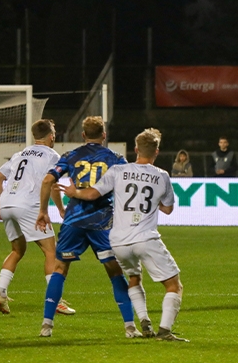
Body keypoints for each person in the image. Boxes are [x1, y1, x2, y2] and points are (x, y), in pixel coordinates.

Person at [60, 128, 188, 341]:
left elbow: (92, 194)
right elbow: (167, 209)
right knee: (174, 285)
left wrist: (75, 193)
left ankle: (144, 321)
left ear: (136, 149)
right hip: (145, 237)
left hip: (118, 241)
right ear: (156, 151)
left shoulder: (118, 171)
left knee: (134, 278)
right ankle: (164, 331)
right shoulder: (162, 175)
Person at [35, 116, 139, 339]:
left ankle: (46, 325)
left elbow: (47, 181)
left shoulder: (71, 156)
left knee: (60, 268)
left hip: (74, 219)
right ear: (104, 135)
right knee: (114, 271)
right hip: (102, 222)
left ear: (83, 135)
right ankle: (130, 327)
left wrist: (45, 211)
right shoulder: (116, 158)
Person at [0, 119, 73, 315]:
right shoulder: (52, 156)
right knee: (51, 251)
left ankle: (0, 293)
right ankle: (56, 300)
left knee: (17, 250)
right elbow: (51, 183)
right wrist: (60, 209)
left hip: (8, 203)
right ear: (52, 136)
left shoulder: (20, 154)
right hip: (27, 205)